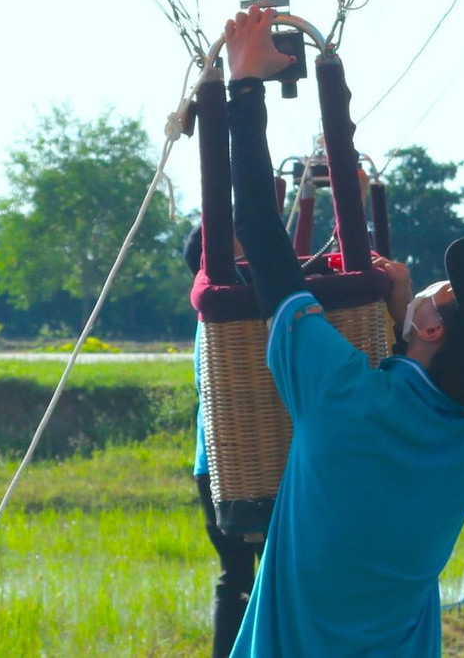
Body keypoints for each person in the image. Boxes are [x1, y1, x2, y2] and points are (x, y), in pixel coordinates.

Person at [219, 4, 464, 656]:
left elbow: (260, 233)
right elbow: (443, 390)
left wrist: (243, 84)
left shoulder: (340, 397)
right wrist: (406, 320)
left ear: (431, 324)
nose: (431, 284)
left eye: (444, 291)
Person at [182, 223, 264, 658]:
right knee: (261, 576)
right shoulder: (226, 324)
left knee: (237, 577)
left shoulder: (218, 318)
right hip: (239, 469)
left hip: (211, 467)